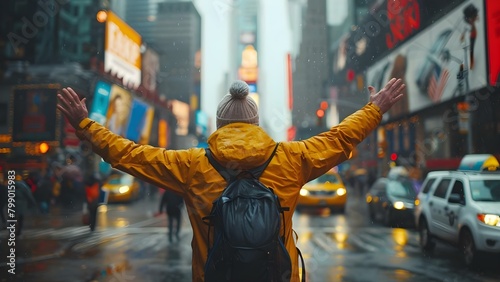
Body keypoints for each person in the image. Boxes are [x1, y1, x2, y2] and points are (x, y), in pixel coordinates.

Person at [57, 78, 405, 282]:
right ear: (255, 124)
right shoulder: (291, 159)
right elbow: (340, 138)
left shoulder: (192, 164)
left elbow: (128, 155)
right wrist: (375, 109)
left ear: (220, 125)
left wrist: (85, 126)